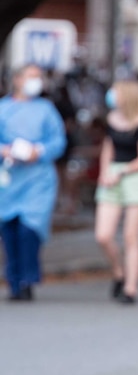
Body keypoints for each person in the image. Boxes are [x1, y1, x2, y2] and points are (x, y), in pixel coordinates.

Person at [0, 64, 67, 302]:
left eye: (39, 77)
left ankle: (28, 279)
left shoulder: (46, 109)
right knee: (10, 230)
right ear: (17, 79)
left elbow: (58, 141)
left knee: (29, 230)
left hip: (38, 180)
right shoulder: (4, 109)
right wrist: (5, 150)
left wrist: (38, 151)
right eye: (31, 77)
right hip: (9, 180)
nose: (36, 81)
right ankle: (13, 281)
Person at [93, 80, 138, 305]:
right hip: (112, 177)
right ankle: (118, 270)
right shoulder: (112, 120)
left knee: (131, 236)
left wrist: (121, 172)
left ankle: (131, 287)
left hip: (133, 177)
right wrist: (104, 172)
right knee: (103, 235)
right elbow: (108, 148)